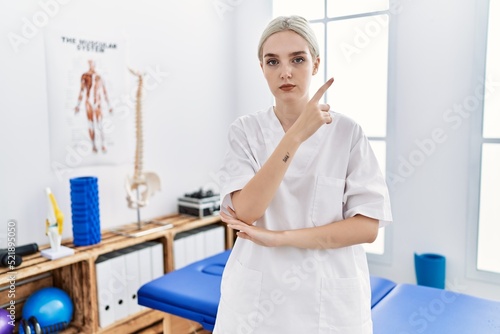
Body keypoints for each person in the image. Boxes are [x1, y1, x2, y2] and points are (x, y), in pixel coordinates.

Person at [213, 15, 392, 334]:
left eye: (298, 59)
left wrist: (280, 238)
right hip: (258, 298)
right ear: (262, 68)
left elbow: (366, 227)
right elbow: (247, 212)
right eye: (272, 61)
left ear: (315, 64)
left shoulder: (347, 132)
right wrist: (295, 137)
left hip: (328, 298)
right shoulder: (245, 131)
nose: (285, 71)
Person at [75, 59, 113, 153]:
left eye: (93, 63)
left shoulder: (99, 77)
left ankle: (103, 145)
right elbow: (82, 91)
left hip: (97, 103)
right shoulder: (85, 76)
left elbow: (104, 91)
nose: (92, 65)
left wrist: (109, 106)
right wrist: (78, 105)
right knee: (91, 125)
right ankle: (93, 146)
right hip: (88, 103)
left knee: (100, 124)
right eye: (90, 63)